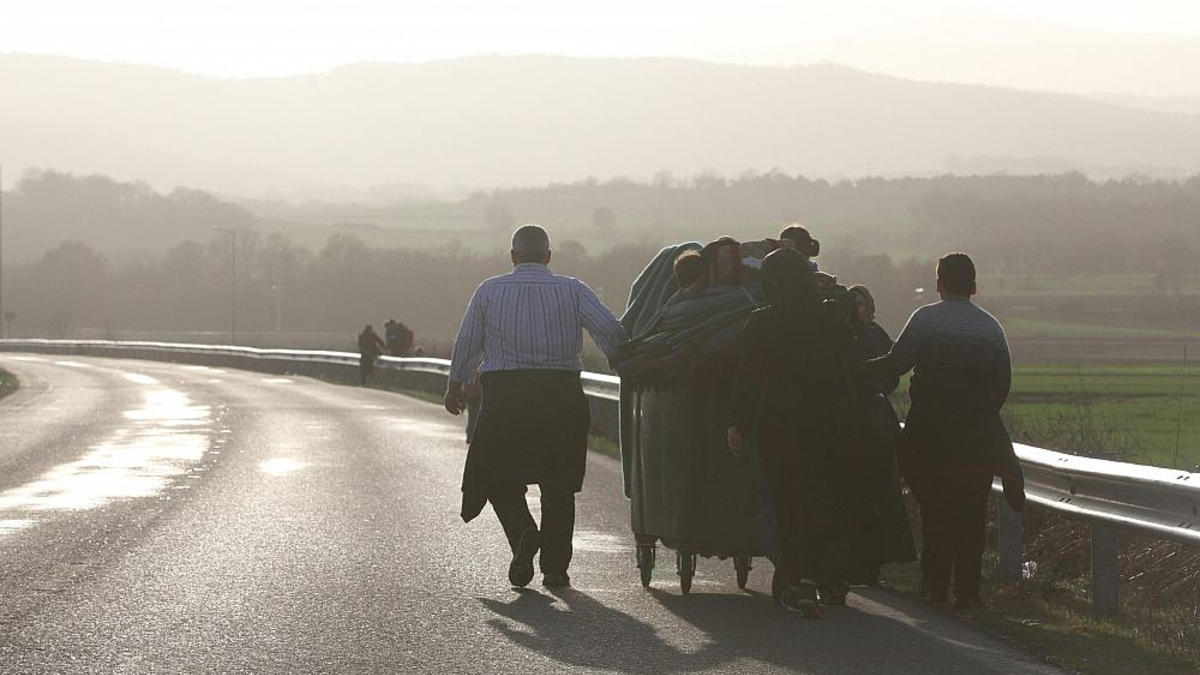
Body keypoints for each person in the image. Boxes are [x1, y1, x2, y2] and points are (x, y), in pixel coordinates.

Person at [444, 224, 626, 589]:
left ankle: (523, 531)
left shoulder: (489, 290)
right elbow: (611, 330)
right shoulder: (573, 289)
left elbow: (468, 341)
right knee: (559, 484)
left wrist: (455, 383)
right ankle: (556, 569)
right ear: (548, 256)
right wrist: (621, 360)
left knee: (496, 473)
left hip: (506, 396)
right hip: (560, 394)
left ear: (513, 257)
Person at [861, 253, 1023, 610]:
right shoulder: (991, 328)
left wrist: (854, 369)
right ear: (975, 287)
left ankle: (935, 586)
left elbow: (897, 363)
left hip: (930, 431)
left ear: (939, 284)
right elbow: (1002, 383)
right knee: (972, 511)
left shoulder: (926, 319)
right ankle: (968, 591)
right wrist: (978, 415)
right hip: (977, 433)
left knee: (935, 507)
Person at [728, 248, 856, 618]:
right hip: (826, 419)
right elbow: (849, 369)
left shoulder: (762, 322)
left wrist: (737, 421)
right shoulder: (832, 316)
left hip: (778, 421)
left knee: (784, 502)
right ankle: (816, 578)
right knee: (819, 499)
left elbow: (748, 378)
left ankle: (793, 580)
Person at [845, 285, 916, 586]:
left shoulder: (876, 335)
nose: (858, 309)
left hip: (875, 419)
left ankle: (873, 562)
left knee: (879, 492)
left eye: (862, 303)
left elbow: (891, 375)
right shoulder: (840, 336)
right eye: (853, 304)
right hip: (848, 419)